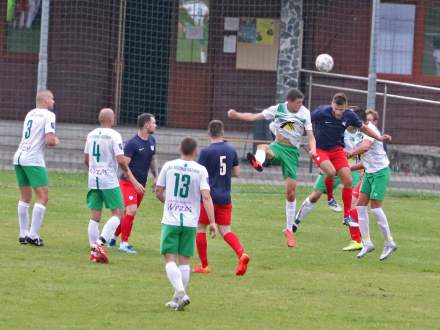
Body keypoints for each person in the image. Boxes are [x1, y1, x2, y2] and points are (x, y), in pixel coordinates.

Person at [227, 88, 316, 248]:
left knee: (290, 193)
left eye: (302, 102)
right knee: (263, 147)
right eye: (298, 102)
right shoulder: (278, 109)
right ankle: (259, 162)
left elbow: (310, 135)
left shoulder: (305, 113)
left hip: (292, 153)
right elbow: (254, 117)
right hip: (278, 146)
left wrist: (313, 149)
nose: (300, 105)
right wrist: (236, 114)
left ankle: (289, 230)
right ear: (289, 101)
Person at [155, 137, 218, 311]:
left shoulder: (168, 166)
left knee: (169, 259)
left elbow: (158, 190)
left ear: (179, 149)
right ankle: (176, 300)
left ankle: (181, 293)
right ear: (195, 151)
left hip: (171, 219)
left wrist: (166, 201)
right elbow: (206, 196)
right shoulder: (200, 170)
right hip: (190, 222)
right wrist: (212, 221)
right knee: (184, 262)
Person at [311, 93, 390, 229]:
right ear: (332, 105)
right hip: (321, 150)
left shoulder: (350, 116)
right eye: (336, 109)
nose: (339, 112)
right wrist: (311, 145)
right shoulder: (320, 112)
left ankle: (347, 216)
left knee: (348, 181)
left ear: (346, 107)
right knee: (330, 172)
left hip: (337, 151)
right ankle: (330, 198)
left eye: (342, 110)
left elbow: (364, 128)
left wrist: (379, 138)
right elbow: (305, 124)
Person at [192, 120, 250, 276]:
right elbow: (236, 172)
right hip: (225, 196)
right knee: (226, 231)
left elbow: (198, 174)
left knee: (200, 228)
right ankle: (241, 254)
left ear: (209, 133)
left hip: (208, 197)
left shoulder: (206, 152)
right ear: (222, 132)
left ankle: (204, 265)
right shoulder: (231, 149)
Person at [295, 124, 365, 251]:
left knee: (355, 201)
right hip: (333, 166)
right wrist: (322, 165)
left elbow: (363, 152)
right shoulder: (337, 131)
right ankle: (296, 221)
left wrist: (360, 169)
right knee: (315, 195)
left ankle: (356, 237)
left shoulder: (362, 134)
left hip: (350, 169)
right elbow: (324, 148)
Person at [84, 108, 139, 263]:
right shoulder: (114, 135)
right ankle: (99, 244)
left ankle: (93, 248)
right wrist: (128, 174)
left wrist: (94, 170)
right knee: (118, 213)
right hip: (108, 178)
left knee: (95, 215)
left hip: (93, 178)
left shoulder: (91, 134)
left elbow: (86, 159)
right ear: (111, 119)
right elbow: (121, 160)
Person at [347, 109, 397, 260]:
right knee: (360, 207)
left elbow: (365, 148)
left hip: (380, 173)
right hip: (369, 173)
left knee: (375, 208)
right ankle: (367, 243)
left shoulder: (370, 130)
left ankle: (389, 243)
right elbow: (365, 160)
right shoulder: (358, 132)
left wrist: (348, 154)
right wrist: (347, 168)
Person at [13, 90, 59, 246]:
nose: (54, 102)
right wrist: (56, 140)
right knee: (43, 197)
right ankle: (33, 235)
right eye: (52, 99)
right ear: (46, 101)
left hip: (19, 156)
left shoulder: (30, 113)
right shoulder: (49, 115)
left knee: (25, 197)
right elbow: (50, 141)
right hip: (33, 159)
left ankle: (23, 234)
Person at [109, 113, 158, 253]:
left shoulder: (152, 141)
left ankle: (112, 238)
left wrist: (156, 177)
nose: (155, 125)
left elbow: (153, 159)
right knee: (131, 210)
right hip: (128, 183)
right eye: (153, 123)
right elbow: (124, 167)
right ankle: (124, 244)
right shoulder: (132, 144)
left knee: (127, 214)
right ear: (146, 124)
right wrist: (134, 182)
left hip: (140, 184)